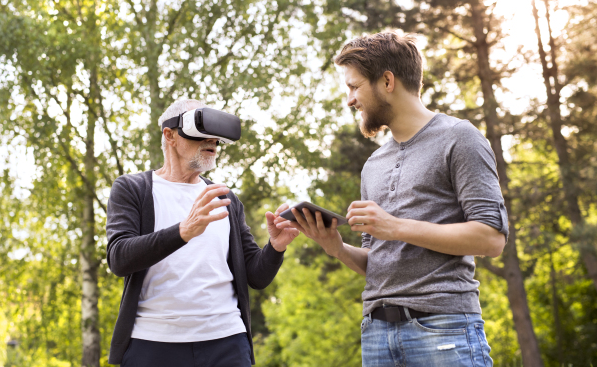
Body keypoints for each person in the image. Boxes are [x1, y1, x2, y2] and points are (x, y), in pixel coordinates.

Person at [275, 31, 508, 366]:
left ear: (387, 81)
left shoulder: (460, 138)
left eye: (354, 87)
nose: (350, 100)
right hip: (376, 334)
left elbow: (491, 239)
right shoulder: (373, 165)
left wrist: (396, 227)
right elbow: (378, 261)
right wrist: (335, 247)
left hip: (443, 331)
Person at [105, 99, 299, 367]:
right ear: (169, 135)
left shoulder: (225, 197)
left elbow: (256, 276)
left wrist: (275, 247)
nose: (213, 142)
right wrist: (183, 231)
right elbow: (119, 258)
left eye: (217, 138)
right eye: (202, 133)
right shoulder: (133, 189)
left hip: (227, 341)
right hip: (153, 344)